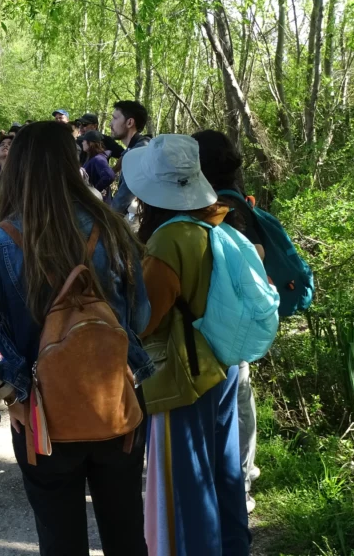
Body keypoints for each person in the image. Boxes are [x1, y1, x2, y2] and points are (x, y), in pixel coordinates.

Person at [0, 121, 154, 556]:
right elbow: (144, 316)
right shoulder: (113, 228)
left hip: (43, 415)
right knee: (127, 533)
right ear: (70, 163)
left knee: (60, 540)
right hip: (116, 402)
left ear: (16, 169)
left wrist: (6, 390)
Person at [123, 134, 251, 556]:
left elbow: (145, 321)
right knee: (224, 473)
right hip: (223, 364)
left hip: (185, 376)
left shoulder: (168, 241)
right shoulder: (213, 220)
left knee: (186, 488)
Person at [193, 129, 263, 515]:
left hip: (224, 324)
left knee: (235, 397)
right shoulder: (235, 199)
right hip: (233, 322)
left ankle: (240, 482)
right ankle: (239, 476)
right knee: (238, 396)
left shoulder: (224, 205)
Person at [110, 100, 151, 215]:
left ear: (129, 123)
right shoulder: (135, 148)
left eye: (115, 118)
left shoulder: (139, 152)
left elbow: (122, 200)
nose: (110, 124)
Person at [81, 131, 116, 201]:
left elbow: (109, 176)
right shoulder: (93, 158)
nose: (82, 143)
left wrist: (95, 191)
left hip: (99, 204)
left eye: (84, 141)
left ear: (90, 143)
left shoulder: (98, 159)